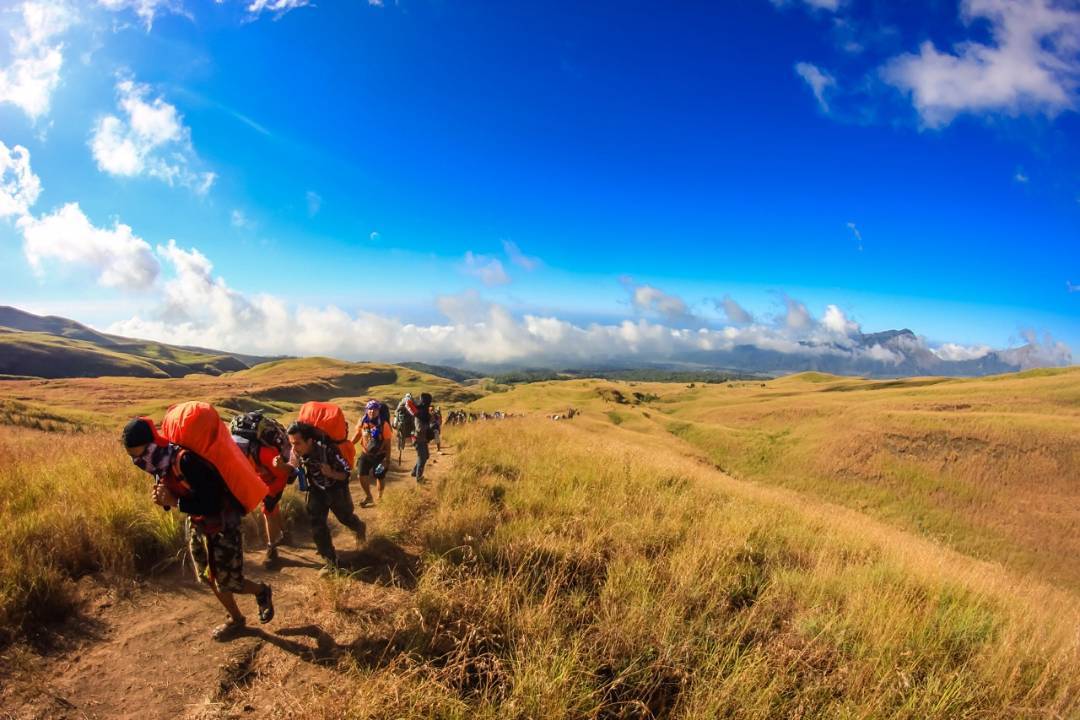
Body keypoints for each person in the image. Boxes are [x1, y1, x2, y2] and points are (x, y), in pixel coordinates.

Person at [122, 417, 274, 641]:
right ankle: (236, 619)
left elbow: (212, 502)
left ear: (151, 444)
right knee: (209, 577)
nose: (137, 460)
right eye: (132, 456)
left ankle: (261, 591)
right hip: (198, 524)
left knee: (230, 581)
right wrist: (165, 500)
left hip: (222, 524)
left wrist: (175, 502)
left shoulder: (185, 461)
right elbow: (177, 495)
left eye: (139, 453)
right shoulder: (159, 463)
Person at [276, 421, 366, 573]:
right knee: (317, 523)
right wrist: (280, 466)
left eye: (297, 443)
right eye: (292, 443)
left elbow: (346, 474)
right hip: (316, 490)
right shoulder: (296, 451)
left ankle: (359, 528)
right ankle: (331, 561)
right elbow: (292, 468)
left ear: (309, 441)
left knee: (345, 518)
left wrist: (331, 473)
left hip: (336, 489)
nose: (294, 448)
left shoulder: (329, 450)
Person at [232, 431, 291, 568]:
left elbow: (283, 474)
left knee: (267, 511)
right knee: (272, 508)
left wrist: (269, 492)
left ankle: (272, 551)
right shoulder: (244, 453)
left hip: (276, 482)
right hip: (264, 481)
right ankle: (285, 534)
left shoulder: (265, 454)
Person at [350, 399, 392, 502]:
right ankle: (369, 496)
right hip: (366, 453)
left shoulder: (384, 425)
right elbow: (358, 434)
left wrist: (387, 460)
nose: (372, 411)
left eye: (374, 409)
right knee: (361, 474)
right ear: (366, 410)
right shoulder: (362, 421)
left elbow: (387, 443)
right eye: (369, 409)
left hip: (380, 456)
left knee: (379, 476)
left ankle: (380, 497)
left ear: (378, 411)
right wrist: (349, 445)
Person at [406, 392, 434, 483]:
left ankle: (414, 472)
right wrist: (430, 428)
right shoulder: (420, 413)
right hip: (418, 438)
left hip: (422, 438)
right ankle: (419, 478)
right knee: (422, 457)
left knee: (426, 456)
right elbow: (419, 428)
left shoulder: (423, 411)